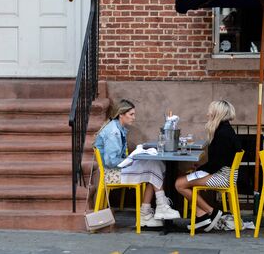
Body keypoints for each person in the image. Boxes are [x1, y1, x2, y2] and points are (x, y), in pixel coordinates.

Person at [94, 99, 180, 227]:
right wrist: (131, 160)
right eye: (131, 114)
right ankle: (155, 209)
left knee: (155, 166)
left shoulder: (118, 127)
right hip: (112, 173)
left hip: (118, 169)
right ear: (121, 114)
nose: (134, 117)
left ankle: (149, 212)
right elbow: (111, 161)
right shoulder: (113, 132)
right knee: (153, 168)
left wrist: (132, 158)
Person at [175, 100, 242, 232]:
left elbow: (217, 163)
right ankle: (202, 217)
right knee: (183, 178)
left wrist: (200, 170)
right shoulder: (225, 130)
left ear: (217, 113)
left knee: (179, 184)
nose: (207, 114)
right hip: (224, 173)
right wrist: (200, 168)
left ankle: (212, 212)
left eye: (210, 111)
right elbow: (218, 160)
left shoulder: (222, 133)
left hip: (223, 176)